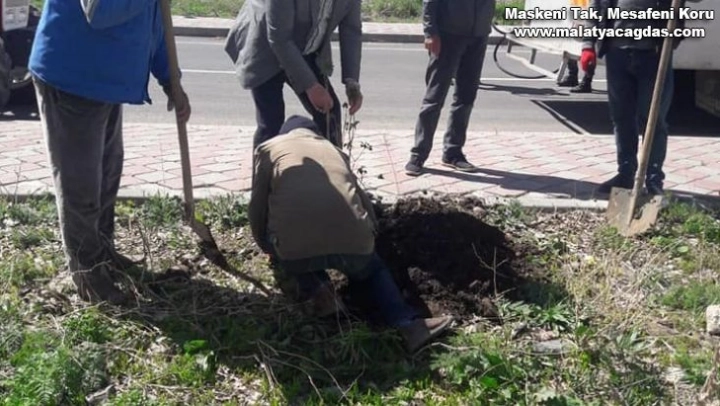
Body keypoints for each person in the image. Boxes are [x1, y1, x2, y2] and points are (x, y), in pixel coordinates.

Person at [28, 0, 192, 304]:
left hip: (103, 80)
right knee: (82, 188)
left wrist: (171, 80)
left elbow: (155, 19)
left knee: (107, 174)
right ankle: (89, 278)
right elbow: (98, 11)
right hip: (73, 77)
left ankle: (102, 254)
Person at [249, 115, 453, 352]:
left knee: (294, 253)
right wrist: (371, 236)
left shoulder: (268, 148)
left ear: (285, 134)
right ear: (316, 135)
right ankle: (407, 324)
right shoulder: (335, 151)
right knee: (374, 271)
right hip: (353, 241)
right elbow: (362, 200)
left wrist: (266, 244)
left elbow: (257, 207)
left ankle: (320, 290)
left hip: (297, 247)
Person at [582, 0, 691, 195]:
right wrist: (587, 44)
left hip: (654, 53)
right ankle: (625, 174)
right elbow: (595, 6)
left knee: (653, 119)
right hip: (617, 52)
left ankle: (653, 180)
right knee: (621, 117)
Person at [225, 0, 364, 150]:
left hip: (303, 46)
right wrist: (310, 86)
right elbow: (279, 38)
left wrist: (352, 83)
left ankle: (330, 164)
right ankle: (264, 165)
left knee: (329, 114)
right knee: (271, 124)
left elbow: (351, 30)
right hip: (264, 45)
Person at [405, 0, 496, 177]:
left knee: (465, 98)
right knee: (434, 98)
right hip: (448, 35)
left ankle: (453, 152)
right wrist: (430, 32)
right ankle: (418, 155)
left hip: (478, 35)